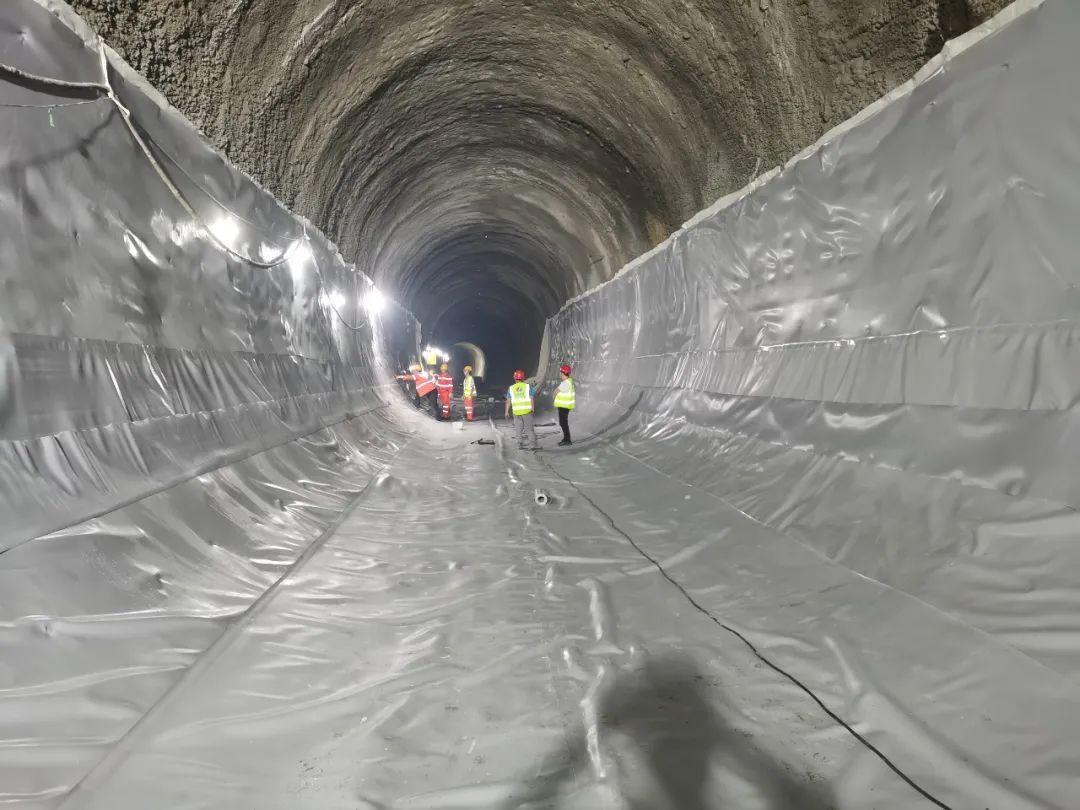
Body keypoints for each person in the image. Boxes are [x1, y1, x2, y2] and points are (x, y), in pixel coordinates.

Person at [505, 370, 538, 450]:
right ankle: (532, 445)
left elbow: (508, 401)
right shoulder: (527, 386)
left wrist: (506, 412)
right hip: (526, 411)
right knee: (529, 429)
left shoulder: (511, 388)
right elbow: (531, 398)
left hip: (516, 412)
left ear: (515, 378)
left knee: (518, 429)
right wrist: (532, 408)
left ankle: (520, 444)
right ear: (523, 378)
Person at [554, 363, 575, 446]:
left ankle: (567, 439)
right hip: (565, 406)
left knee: (563, 423)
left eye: (560, 373)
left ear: (563, 373)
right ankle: (566, 438)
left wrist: (554, 396)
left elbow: (556, 391)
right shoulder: (568, 382)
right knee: (563, 422)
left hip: (564, 406)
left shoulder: (566, 383)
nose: (560, 374)